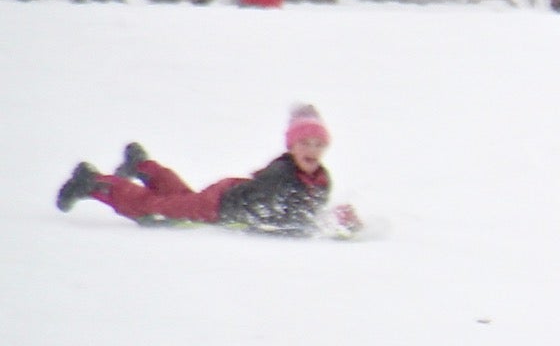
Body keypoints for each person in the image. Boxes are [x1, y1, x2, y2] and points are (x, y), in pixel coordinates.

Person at [55, 105, 354, 236]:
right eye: (304, 143)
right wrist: (311, 227)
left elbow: (303, 211)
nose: (311, 151)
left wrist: (333, 220)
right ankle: (93, 182)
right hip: (219, 207)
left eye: (318, 145)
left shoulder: (321, 179)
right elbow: (275, 216)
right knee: (152, 210)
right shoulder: (281, 177)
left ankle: (143, 166)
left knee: (179, 200)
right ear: (291, 147)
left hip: (225, 194)